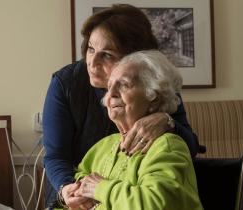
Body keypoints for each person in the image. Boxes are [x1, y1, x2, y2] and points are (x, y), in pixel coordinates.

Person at [42, 4, 199, 209]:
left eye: (107, 54)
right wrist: (70, 189)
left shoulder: (158, 85)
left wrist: (167, 121)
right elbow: (57, 157)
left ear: (136, 58)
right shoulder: (66, 84)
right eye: (90, 49)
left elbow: (188, 147)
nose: (92, 62)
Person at [70, 50, 203, 210]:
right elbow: (79, 179)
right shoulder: (102, 147)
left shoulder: (167, 146)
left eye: (124, 85)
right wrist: (76, 196)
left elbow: (155, 204)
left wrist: (100, 189)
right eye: (109, 86)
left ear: (153, 98)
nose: (111, 94)